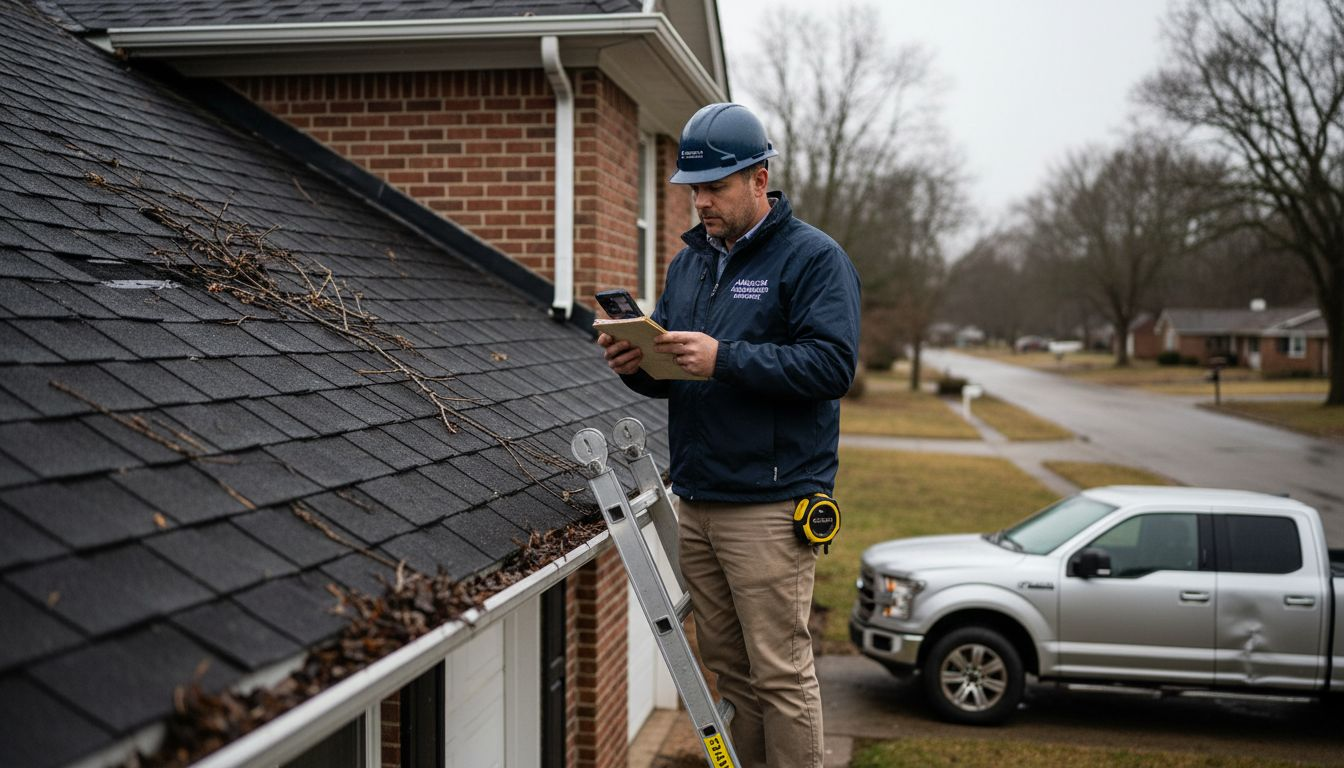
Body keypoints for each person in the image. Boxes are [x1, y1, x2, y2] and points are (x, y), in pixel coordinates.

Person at [597, 102, 861, 768]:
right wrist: (638, 366)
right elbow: (677, 374)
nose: (700, 202)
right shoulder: (689, 266)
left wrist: (725, 358)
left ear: (759, 178)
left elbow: (832, 366)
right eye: (693, 189)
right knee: (732, 674)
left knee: (779, 672)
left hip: (770, 506)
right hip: (699, 497)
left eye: (715, 186)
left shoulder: (813, 259)